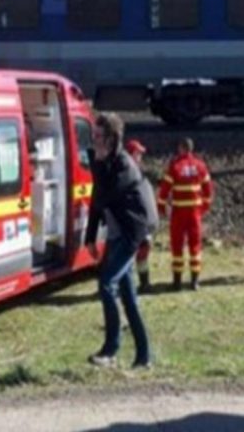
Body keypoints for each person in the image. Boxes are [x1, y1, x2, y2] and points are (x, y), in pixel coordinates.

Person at [84, 113, 157, 369]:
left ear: (112, 139)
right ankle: (144, 356)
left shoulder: (123, 165)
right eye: (92, 136)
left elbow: (104, 196)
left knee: (106, 283)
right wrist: (90, 237)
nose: (94, 142)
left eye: (98, 137)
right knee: (128, 297)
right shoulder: (105, 163)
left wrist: (96, 164)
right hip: (117, 234)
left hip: (131, 234)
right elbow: (96, 200)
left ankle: (111, 350)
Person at [157, 138, 213, 291]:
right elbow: (208, 191)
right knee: (195, 245)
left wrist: (162, 207)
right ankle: (195, 281)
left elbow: (164, 191)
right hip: (195, 213)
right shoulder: (201, 166)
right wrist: (203, 208)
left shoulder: (175, 166)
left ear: (181, 148)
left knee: (177, 245)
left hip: (179, 213)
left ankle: (177, 282)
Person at [125, 139, 155, 293]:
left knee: (144, 250)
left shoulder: (136, 171)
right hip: (135, 221)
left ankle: (144, 283)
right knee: (130, 254)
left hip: (142, 221)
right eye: (139, 153)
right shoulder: (129, 172)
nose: (141, 157)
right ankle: (129, 284)